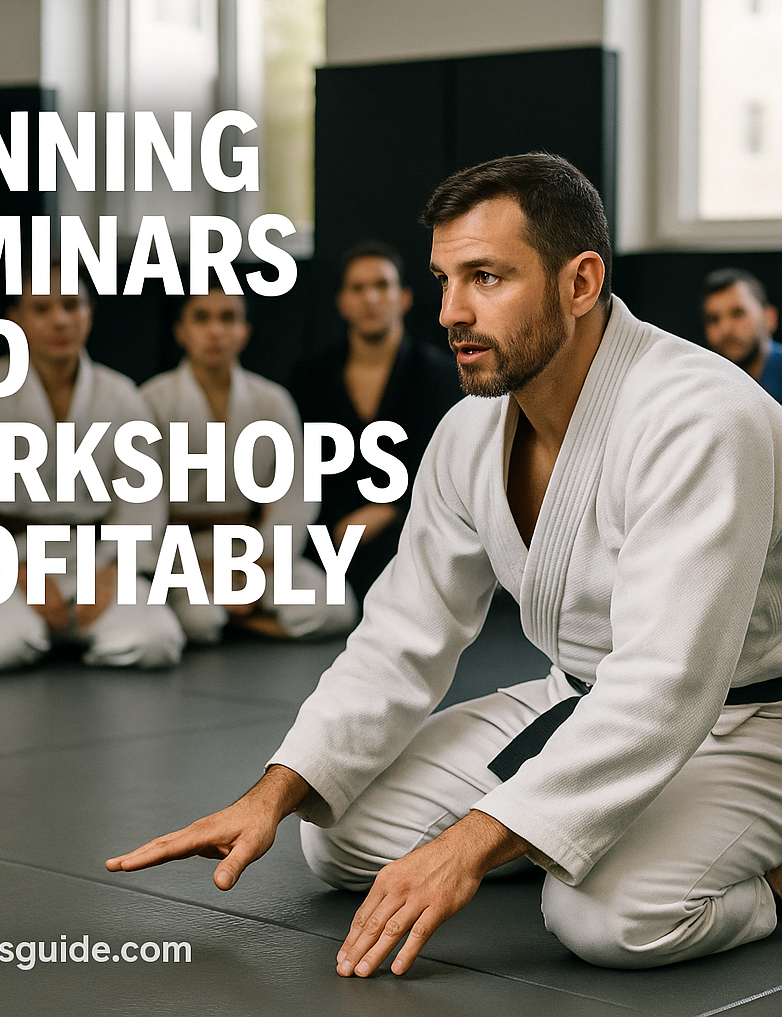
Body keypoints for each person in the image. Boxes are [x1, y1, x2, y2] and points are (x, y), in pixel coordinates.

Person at [106, 153, 782, 974]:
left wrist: (468, 845)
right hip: (584, 698)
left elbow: (668, 681)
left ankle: (761, 873)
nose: (451, 312)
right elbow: (401, 633)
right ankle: (567, 827)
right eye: (443, 280)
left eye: (487, 278)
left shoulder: (700, 419)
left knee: (607, 919)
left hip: (749, 721)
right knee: (339, 837)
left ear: (579, 282)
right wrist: (271, 793)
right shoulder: (470, 432)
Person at [0, 266, 185, 670]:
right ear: (15, 319)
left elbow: (143, 500)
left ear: (89, 313)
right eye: (42, 308)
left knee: (156, 643)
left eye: (72, 305)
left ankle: (67, 632)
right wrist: (17, 571)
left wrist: (113, 570)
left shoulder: (120, 396)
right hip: (5, 561)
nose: (60, 320)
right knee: (3, 648)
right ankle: (49, 632)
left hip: (96, 557)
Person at [140, 286, 357, 643]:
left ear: (245, 331)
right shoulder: (151, 401)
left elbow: (294, 492)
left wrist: (256, 565)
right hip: (181, 555)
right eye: (202, 318)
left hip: (252, 550)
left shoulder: (271, 401)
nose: (215, 331)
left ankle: (239, 622)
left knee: (336, 607)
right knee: (199, 622)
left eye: (228, 318)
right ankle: (235, 618)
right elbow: (141, 504)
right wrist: (198, 570)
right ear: (181, 332)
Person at [291, 242, 461, 600]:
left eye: (382, 286)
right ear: (342, 302)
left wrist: (387, 509)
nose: (370, 297)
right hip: (327, 534)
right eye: (358, 287)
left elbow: (447, 465)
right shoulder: (310, 379)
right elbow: (302, 466)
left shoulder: (442, 377)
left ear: (404, 298)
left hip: (413, 529)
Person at [702, 267, 781, 400]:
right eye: (714, 319)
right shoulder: (703, 389)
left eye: (738, 313)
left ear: (769, 318)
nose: (725, 329)